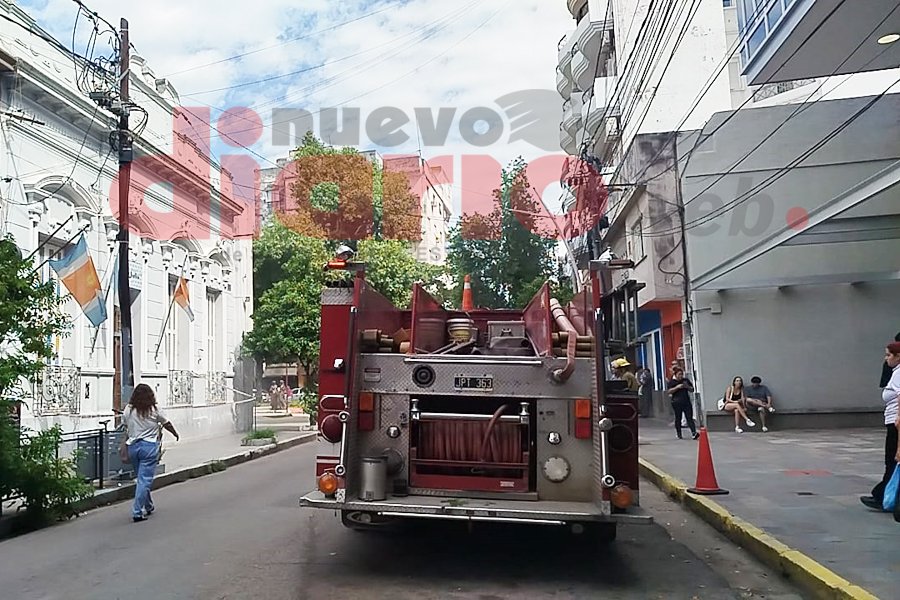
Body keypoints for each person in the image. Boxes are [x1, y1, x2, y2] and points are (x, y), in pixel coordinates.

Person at [122, 384, 179, 522]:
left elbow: (125, 427)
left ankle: (148, 505)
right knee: (144, 479)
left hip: (133, 447)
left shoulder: (128, 409)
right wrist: (175, 433)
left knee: (141, 478)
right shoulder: (154, 409)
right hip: (148, 447)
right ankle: (137, 511)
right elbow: (166, 423)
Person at [861, 341, 900, 512]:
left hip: (895, 423)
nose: (886, 359)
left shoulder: (899, 373)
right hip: (893, 421)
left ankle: (884, 496)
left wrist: (898, 418)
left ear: (898, 356)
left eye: (888, 355)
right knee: (892, 461)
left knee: (892, 460)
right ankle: (882, 494)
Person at [666, 368, 698, 440]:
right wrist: (677, 387)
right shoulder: (672, 382)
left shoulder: (685, 381)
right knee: (678, 418)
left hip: (686, 401)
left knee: (689, 417)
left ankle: (693, 432)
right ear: (675, 374)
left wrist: (687, 386)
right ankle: (679, 433)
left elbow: (692, 389)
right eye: (679, 374)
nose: (680, 376)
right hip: (676, 402)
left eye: (681, 374)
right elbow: (669, 391)